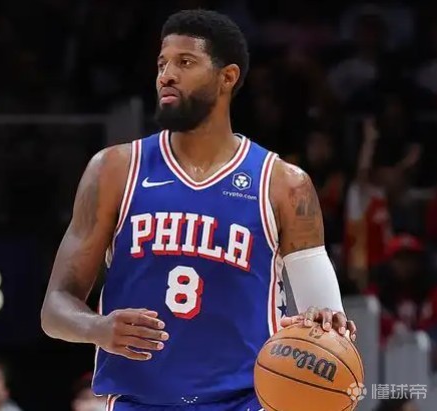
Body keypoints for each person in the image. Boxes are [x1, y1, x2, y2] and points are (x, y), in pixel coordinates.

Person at [41, 9, 356, 411]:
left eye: (185, 62)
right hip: (139, 402)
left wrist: (328, 331)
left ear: (228, 77)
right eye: (162, 64)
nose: (166, 75)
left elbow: (325, 321)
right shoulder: (114, 170)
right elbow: (54, 308)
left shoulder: (284, 184)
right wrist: (97, 327)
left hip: (246, 402)